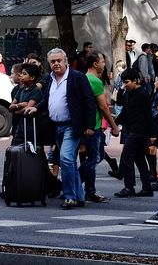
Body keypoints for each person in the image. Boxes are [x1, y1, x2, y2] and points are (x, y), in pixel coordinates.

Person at [41, 48, 97, 210]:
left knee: (65, 158)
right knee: (70, 161)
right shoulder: (49, 79)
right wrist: (34, 109)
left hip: (72, 125)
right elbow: (45, 101)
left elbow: (89, 101)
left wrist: (89, 126)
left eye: (59, 60)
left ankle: (69, 196)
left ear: (65, 61)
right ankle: (79, 196)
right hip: (56, 126)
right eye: (53, 61)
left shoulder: (77, 77)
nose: (56, 64)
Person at [81, 52, 118, 203]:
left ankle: (88, 190)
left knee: (89, 158)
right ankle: (74, 182)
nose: (104, 64)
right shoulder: (94, 81)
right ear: (95, 64)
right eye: (102, 61)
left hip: (83, 125)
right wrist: (113, 126)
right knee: (96, 157)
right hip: (94, 125)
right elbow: (103, 107)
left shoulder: (82, 78)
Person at [112, 69, 154, 198]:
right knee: (138, 158)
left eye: (127, 82)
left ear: (135, 80)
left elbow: (148, 115)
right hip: (133, 129)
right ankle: (147, 187)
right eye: (124, 82)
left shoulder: (142, 94)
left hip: (139, 131)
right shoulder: (129, 93)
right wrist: (114, 124)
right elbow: (124, 110)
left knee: (126, 156)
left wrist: (151, 134)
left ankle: (129, 186)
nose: (125, 85)